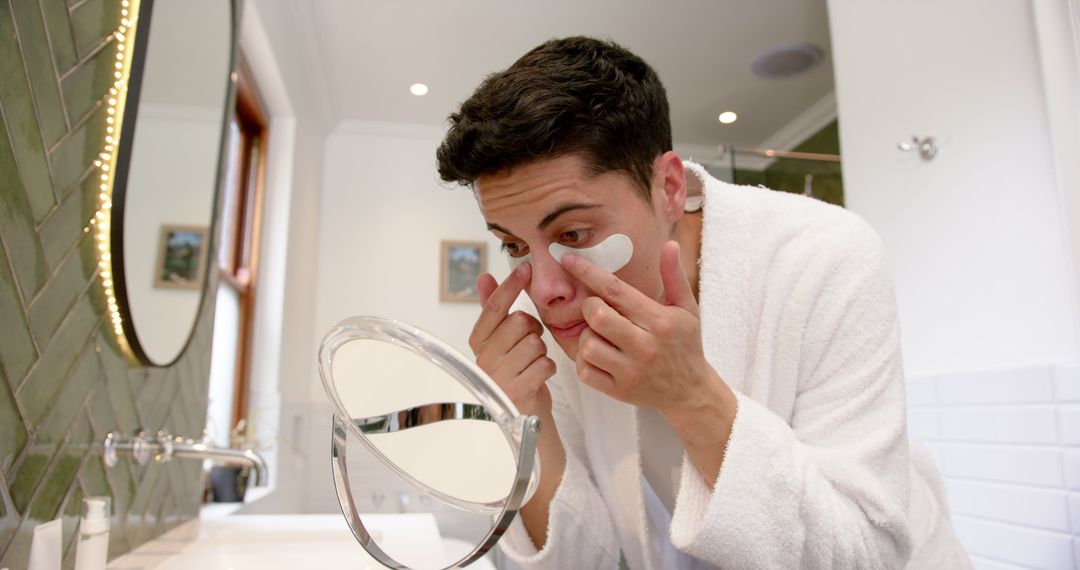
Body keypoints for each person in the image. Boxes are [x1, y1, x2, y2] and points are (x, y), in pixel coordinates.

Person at [436, 36, 969, 569]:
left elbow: (865, 553)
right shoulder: (554, 322)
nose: (545, 289)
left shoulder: (823, 257)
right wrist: (527, 421)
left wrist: (693, 397)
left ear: (668, 187)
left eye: (573, 234)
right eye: (514, 245)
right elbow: (582, 562)